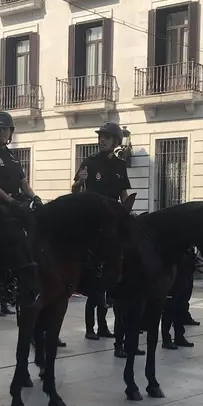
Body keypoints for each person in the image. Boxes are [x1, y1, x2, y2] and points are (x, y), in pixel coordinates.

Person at [0, 111, 41, 317]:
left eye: (5, 129)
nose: (2, 132)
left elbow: (24, 183)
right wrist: (11, 201)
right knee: (3, 245)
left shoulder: (13, 158)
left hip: (16, 205)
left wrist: (34, 198)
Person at [74, 121, 130, 340]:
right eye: (100, 136)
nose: (102, 140)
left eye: (106, 137)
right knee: (95, 281)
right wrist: (79, 182)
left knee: (109, 278)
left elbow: (124, 193)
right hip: (94, 221)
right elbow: (75, 189)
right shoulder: (89, 162)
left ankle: (104, 326)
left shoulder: (120, 165)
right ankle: (90, 329)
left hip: (114, 220)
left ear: (116, 141)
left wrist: (129, 213)